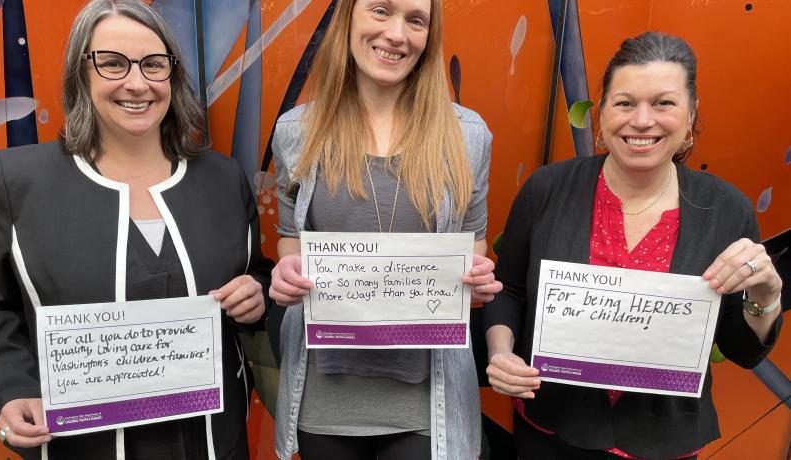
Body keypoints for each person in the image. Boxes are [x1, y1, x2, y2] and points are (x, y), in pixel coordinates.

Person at [0, 1, 272, 459]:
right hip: (82, 444)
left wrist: (257, 295)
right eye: (111, 63)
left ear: (172, 75)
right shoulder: (21, 182)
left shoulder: (224, 180)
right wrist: (12, 388)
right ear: (80, 74)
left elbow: (256, 274)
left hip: (211, 442)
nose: (137, 82)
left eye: (153, 64)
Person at [483, 31, 783, 459]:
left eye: (663, 103)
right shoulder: (547, 189)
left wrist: (766, 293)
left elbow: (743, 348)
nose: (642, 121)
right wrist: (501, 351)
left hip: (663, 443)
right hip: (551, 432)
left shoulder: (725, 210)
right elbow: (508, 288)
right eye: (625, 103)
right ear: (602, 111)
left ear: (691, 112)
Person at [267, 0, 501, 458]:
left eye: (415, 20)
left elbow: (476, 251)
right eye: (380, 11)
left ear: (428, 37)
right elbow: (290, 236)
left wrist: (476, 281)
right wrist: (287, 269)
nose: (396, 33)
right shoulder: (297, 131)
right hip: (324, 390)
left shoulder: (467, 135)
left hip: (426, 398)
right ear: (348, 19)